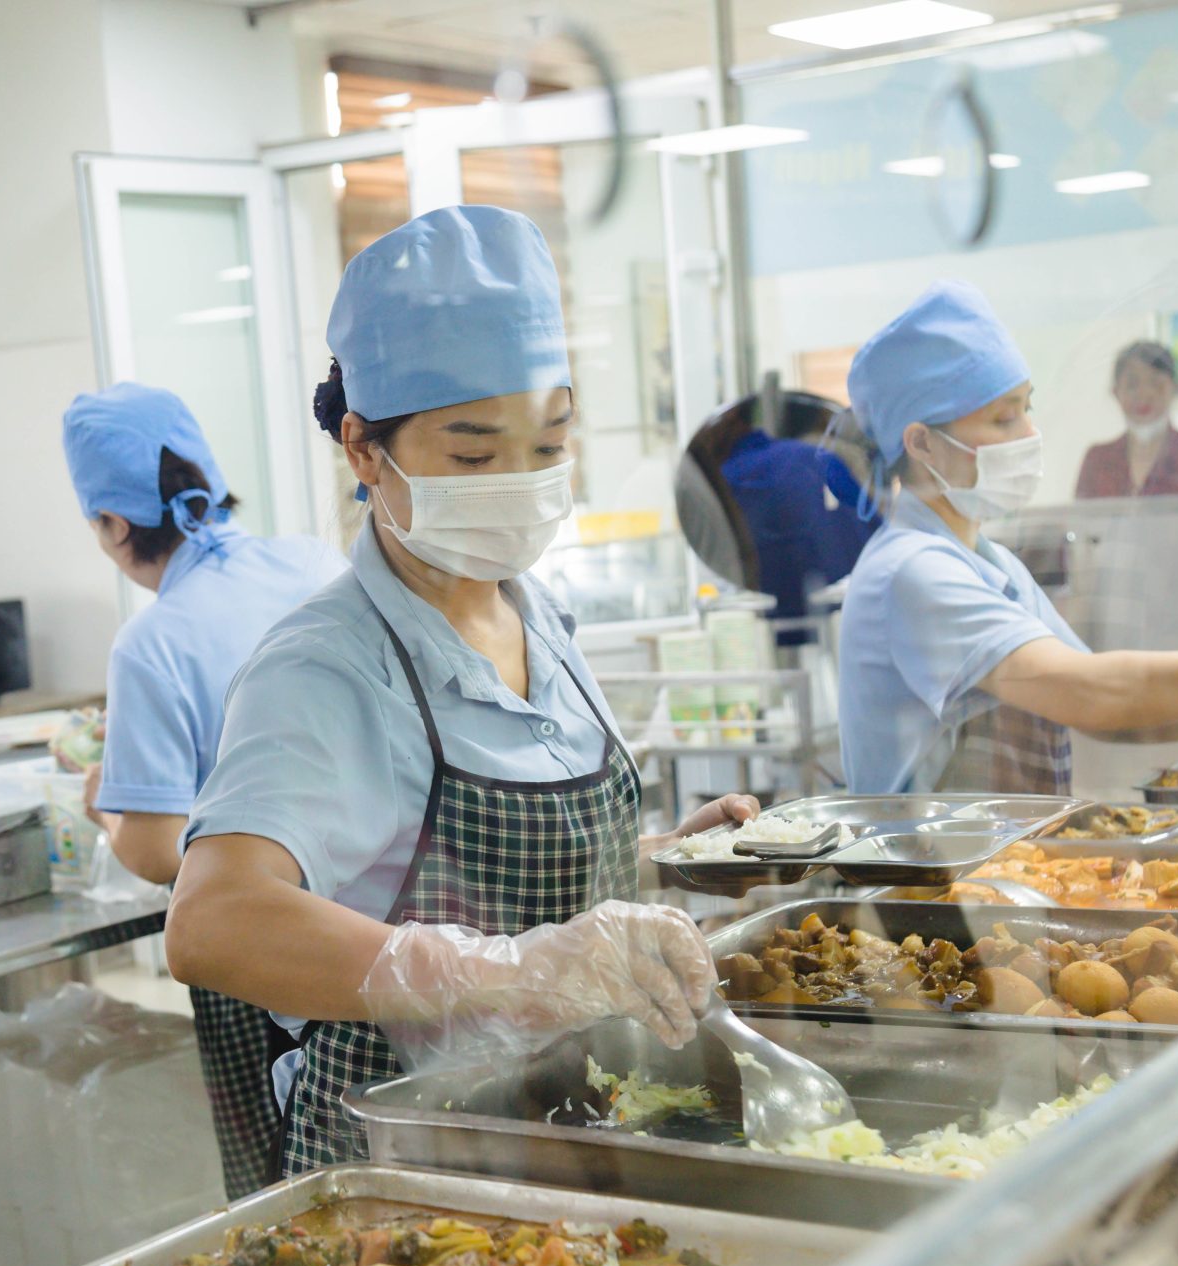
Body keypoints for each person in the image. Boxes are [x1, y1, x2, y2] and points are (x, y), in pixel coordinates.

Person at [165, 205, 756, 1176]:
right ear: (364, 451)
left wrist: (660, 866)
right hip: (417, 1165)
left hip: (575, 1130)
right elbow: (211, 921)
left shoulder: (536, 615)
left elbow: (496, 887)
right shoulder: (326, 666)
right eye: (475, 455)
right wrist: (508, 974)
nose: (518, 482)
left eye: (547, 445)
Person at [838, 281, 1178, 795]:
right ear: (922, 444)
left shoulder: (992, 564)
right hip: (924, 866)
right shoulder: (914, 572)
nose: (1030, 435)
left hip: (989, 854)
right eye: (1004, 420)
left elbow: (1117, 718)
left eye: (1027, 409)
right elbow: (1094, 694)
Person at [61, 381, 345, 1199]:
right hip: (387, 909)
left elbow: (160, 852)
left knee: (283, 1191)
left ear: (115, 525)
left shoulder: (151, 643)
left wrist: (106, 809)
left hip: (257, 947)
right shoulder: (316, 564)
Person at [719, 425, 878, 638]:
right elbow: (874, 528)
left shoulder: (727, 479)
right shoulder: (816, 457)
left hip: (771, 627)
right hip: (848, 616)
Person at [1075, 340, 1178, 499]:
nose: (1144, 394)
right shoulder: (1097, 460)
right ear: (1116, 392)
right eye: (1132, 384)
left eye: (1156, 383)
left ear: (1175, 387)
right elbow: (1081, 515)